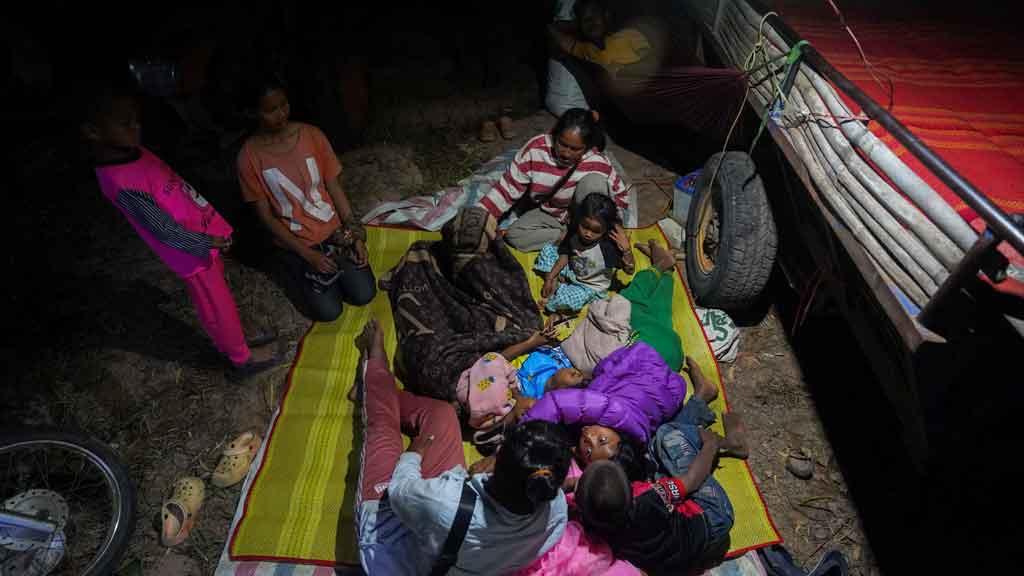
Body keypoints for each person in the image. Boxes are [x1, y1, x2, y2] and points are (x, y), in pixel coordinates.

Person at [81, 76, 283, 378]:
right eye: (125, 123)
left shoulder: (131, 152)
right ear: (93, 131)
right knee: (216, 305)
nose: (136, 127)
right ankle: (241, 360)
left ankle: (236, 341)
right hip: (191, 252)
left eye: (136, 119)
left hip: (201, 234)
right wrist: (207, 242)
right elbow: (163, 229)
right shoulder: (120, 181)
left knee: (222, 298)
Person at [353, 319, 570, 575]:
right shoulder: (556, 512)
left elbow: (400, 491)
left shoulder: (446, 502)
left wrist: (414, 454)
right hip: (446, 528)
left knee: (383, 433)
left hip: (396, 544)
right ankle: (377, 390)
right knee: (443, 414)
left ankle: (376, 371)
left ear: (496, 462)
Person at [237, 73, 375, 322]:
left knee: (364, 294)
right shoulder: (249, 156)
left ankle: (331, 265)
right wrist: (307, 255)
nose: (281, 114)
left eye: (283, 105)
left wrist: (354, 235)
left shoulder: (312, 135)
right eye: (271, 110)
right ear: (255, 113)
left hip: (334, 232)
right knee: (329, 312)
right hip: (298, 242)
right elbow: (266, 217)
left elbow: (334, 188)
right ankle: (291, 265)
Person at [574, 397, 749, 575]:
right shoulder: (650, 498)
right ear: (629, 486)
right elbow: (692, 480)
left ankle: (700, 402)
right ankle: (728, 443)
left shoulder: (597, 523)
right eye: (589, 453)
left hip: (677, 558)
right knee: (667, 436)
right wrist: (711, 445)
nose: (588, 436)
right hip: (713, 518)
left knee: (659, 451)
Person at [477, 108, 629, 252]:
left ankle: (589, 236)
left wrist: (615, 225)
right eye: (562, 144)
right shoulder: (535, 150)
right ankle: (571, 240)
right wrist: (481, 214)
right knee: (514, 236)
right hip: (552, 213)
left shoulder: (596, 161)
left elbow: (620, 195)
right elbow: (507, 189)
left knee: (595, 182)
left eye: (575, 149)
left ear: (587, 147)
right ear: (554, 135)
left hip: (583, 219)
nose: (566, 154)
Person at [534, 192, 635, 315]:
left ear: (606, 230)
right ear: (579, 220)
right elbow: (565, 255)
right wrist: (550, 277)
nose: (588, 234)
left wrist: (626, 251)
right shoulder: (574, 232)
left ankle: (561, 290)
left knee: (565, 300)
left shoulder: (608, 247)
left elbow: (629, 271)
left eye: (596, 231)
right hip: (572, 270)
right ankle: (559, 283)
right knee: (547, 250)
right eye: (585, 226)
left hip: (589, 286)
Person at [548, 0, 654, 77]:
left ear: (606, 16)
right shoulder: (585, 49)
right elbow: (553, 29)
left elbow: (651, 63)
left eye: (595, 14)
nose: (591, 22)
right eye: (585, 19)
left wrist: (623, 70)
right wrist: (574, 24)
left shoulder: (630, 35)